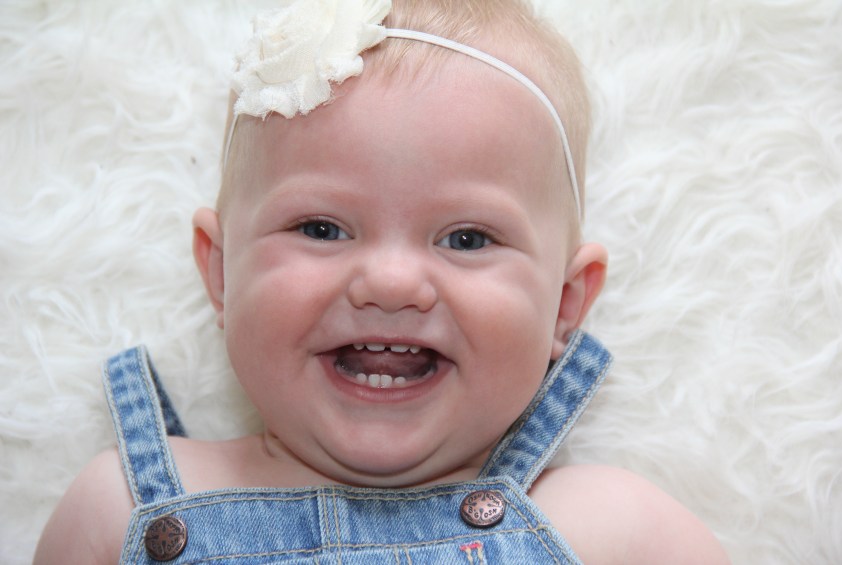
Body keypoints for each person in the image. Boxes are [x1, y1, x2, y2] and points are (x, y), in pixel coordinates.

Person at [34, 0, 729, 562]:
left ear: (564, 304)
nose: (391, 282)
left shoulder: (617, 530)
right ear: (220, 272)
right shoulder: (123, 507)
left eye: (466, 239)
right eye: (321, 228)